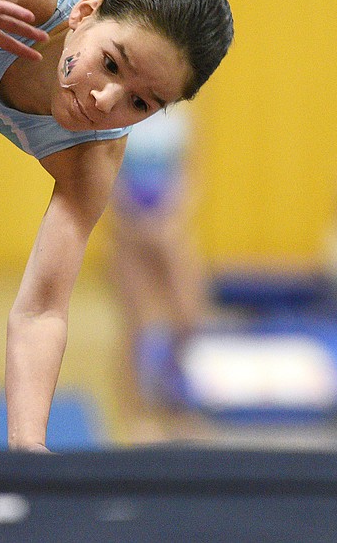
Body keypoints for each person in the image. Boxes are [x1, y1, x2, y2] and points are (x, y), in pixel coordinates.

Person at [0, 0, 233, 451]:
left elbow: (43, 308)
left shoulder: (92, 157)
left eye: (141, 103)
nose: (102, 101)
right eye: (111, 65)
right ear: (85, 14)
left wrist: (29, 448)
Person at [107, 105, 206, 439]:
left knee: (188, 316)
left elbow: (190, 174)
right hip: (128, 229)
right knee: (137, 326)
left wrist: (171, 222)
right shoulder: (118, 111)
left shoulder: (181, 113)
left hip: (170, 226)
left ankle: (173, 397)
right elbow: (107, 177)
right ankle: (136, 414)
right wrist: (135, 223)